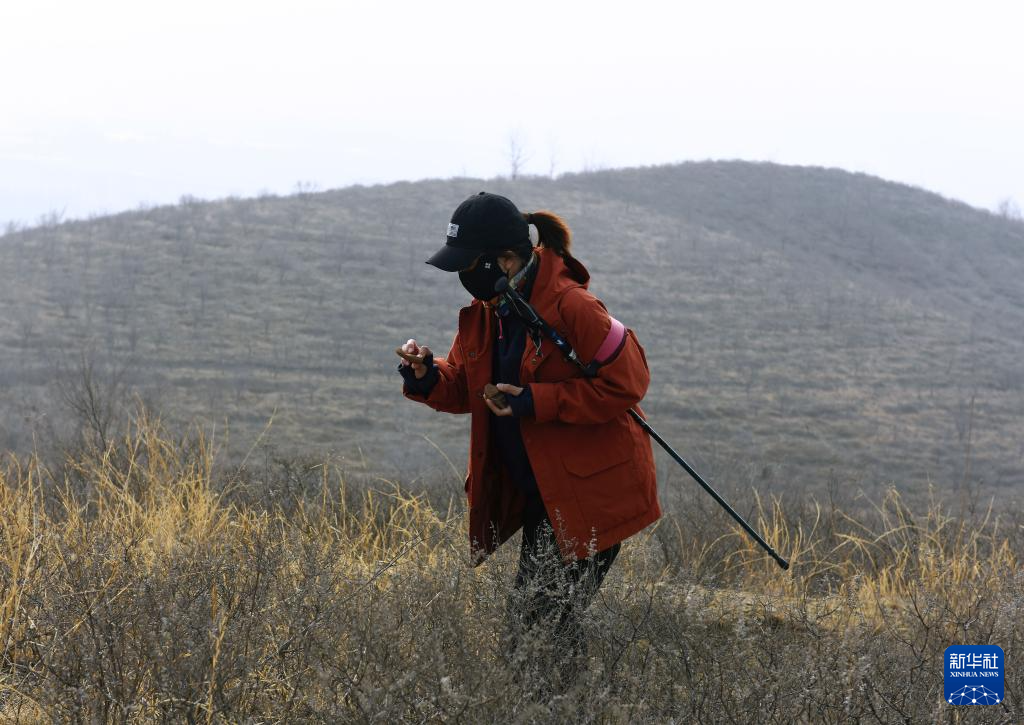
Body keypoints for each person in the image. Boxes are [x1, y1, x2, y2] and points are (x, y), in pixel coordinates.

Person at [397, 191, 660, 679]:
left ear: (505, 260)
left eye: (468, 264)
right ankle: (576, 703)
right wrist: (427, 375)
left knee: (534, 628)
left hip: (591, 495)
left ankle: (560, 705)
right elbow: (466, 384)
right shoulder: (486, 312)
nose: (463, 276)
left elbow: (629, 383)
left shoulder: (575, 307)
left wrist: (534, 401)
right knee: (544, 626)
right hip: (547, 496)